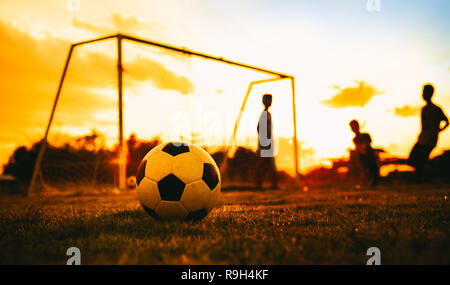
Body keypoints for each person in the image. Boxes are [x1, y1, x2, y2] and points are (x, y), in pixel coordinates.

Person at [408, 83, 448, 182]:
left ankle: (422, 179)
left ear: (429, 94)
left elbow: (447, 121)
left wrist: (438, 131)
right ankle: (420, 178)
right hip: (422, 138)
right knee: (414, 159)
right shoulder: (423, 109)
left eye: (424, 92)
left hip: (430, 139)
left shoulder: (436, 109)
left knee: (421, 160)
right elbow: (423, 126)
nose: (422, 94)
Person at [255, 94, 278, 189]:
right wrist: (264, 142)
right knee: (264, 165)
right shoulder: (264, 114)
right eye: (268, 100)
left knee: (270, 165)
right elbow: (258, 128)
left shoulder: (268, 114)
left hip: (268, 144)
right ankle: (259, 185)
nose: (270, 101)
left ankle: (273, 185)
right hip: (265, 144)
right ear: (264, 101)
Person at [349, 119, 379, 187]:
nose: (353, 129)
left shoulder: (366, 135)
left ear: (358, 126)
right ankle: (365, 185)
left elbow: (367, 144)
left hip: (370, 157)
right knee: (364, 172)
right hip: (362, 158)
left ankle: (371, 185)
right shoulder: (355, 139)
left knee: (374, 173)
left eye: (354, 127)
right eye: (352, 128)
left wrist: (362, 148)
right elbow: (358, 149)